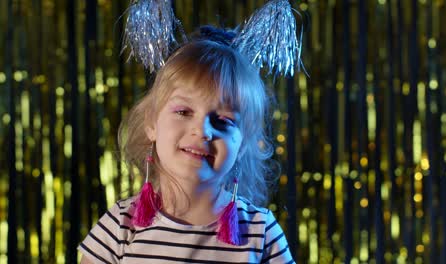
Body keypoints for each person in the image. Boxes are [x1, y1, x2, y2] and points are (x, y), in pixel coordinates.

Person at [78, 26, 296, 263]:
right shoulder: (120, 225)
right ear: (151, 123)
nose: (203, 130)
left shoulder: (261, 232)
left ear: (242, 145)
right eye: (183, 111)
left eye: (223, 121)